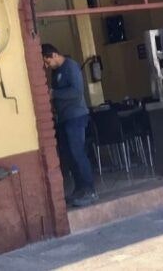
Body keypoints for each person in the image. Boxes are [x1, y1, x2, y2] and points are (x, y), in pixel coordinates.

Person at [42, 43, 97, 207]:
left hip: (76, 117)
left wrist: (54, 93)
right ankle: (80, 189)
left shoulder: (71, 67)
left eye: (47, 62)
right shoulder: (56, 72)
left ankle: (90, 190)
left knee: (78, 153)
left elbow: (76, 92)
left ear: (54, 55)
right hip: (63, 118)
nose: (47, 66)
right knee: (69, 156)